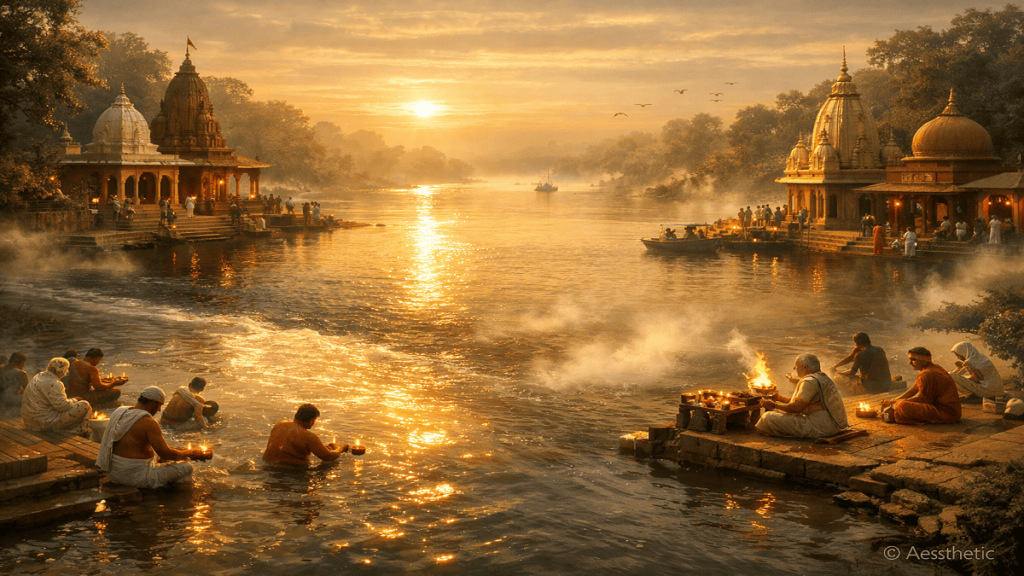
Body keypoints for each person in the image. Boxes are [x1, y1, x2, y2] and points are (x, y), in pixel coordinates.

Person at [96, 387, 205, 489]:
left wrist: (181, 452)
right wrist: (191, 454)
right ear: (153, 404)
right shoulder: (148, 422)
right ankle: (175, 495)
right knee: (187, 467)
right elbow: (166, 453)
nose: (159, 410)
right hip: (134, 477)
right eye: (159, 406)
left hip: (114, 473)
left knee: (168, 458)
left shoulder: (120, 411)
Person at [755, 354, 848, 438]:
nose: (794, 368)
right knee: (780, 415)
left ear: (805, 367)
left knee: (767, 417)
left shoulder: (809, 381)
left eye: (796, 366)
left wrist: (774, 405)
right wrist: (780, 398)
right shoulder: (823, 377)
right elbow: (803, 402)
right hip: (833, 426)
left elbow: (797, 407)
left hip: (819, 427)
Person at [881, 347, 961, 425]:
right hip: (953, 412)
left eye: (913, 359)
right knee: (899, 404)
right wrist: (894, 400)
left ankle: (892, 416)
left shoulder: (926, 373)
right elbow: (913, 390)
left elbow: (923, 398)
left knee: (902, 406)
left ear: (924, 360)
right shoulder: (933, 368)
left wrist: (898, 402)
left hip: (946, 414)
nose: (909, 363)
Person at [21, 358, 91, 434]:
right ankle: (81, 430)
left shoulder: (38, 376)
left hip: (30, 422)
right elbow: (63, 406)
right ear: (60, 370)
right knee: (85, 404)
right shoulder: (55, 383)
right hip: (43, 423)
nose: (66, 373)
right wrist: (75, 400)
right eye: (66, 369)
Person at [263, 404, 349, 465]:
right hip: (290, 473)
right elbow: (328, 457)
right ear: (311, 420)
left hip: (267, 467)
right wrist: (341, 449)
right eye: (315, 420)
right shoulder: (308, 436)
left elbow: (289, 447)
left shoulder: (280, 425)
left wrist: (327, 448)